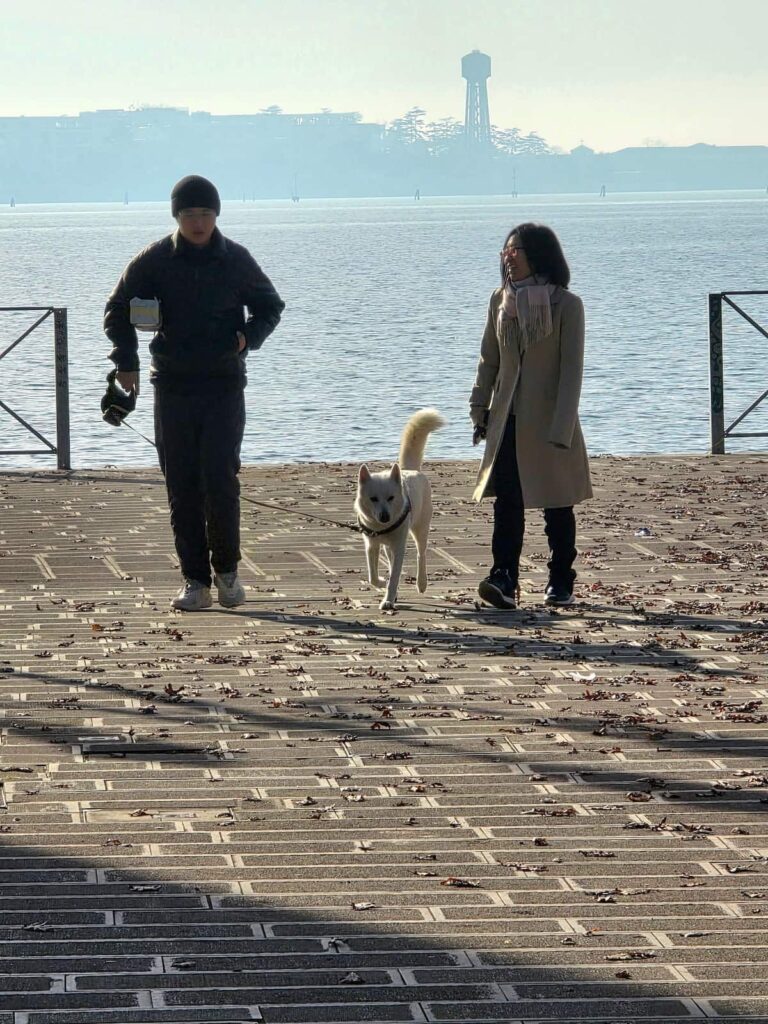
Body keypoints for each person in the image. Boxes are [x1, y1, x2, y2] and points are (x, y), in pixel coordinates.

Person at [104, 175, 285, 611]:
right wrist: (125, 363)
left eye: (205, 214)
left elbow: (270, 306)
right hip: (172, 386)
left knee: (220, 481)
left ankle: (227, 574)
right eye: (189, 215)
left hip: (224, 385)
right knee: (181, 485)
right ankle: (194, 581)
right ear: (177, 217)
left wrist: (247, 338)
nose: (198, 223)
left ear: (216, 215)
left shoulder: (236, 259)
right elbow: (117, 310)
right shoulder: (154, 259)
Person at [469, 222, 591, 610]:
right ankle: (503, 577)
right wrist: (479, 406)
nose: (509, 257)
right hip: (507, 418)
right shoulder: (499, 301)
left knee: (557, 504)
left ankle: (561, 580)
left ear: (539, 254)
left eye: (516, 250)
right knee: (507, 502)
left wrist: (563, 426)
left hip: (551, 421)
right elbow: (489, 358)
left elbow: (572, 370)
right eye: (506, 250)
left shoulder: (567, 305)